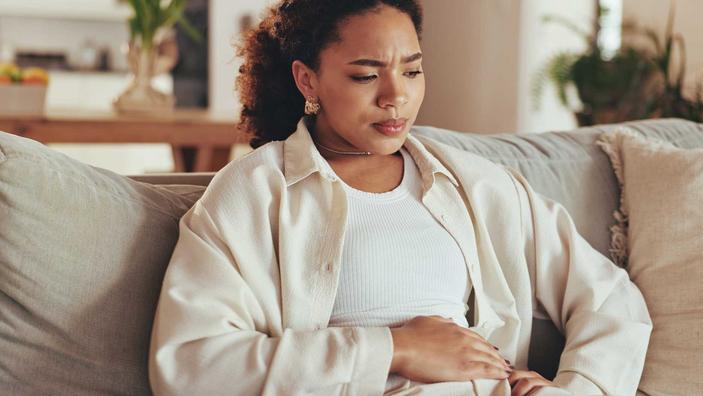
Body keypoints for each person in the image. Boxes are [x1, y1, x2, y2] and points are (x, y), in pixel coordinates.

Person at [148, 1, 652, 395]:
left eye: (412, 71)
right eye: (366, 75)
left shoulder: (477, 185)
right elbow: (191, 365)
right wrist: (394, 349)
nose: (396, 96)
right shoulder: (252, 194)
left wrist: (575, 388)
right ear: (308, 79)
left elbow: (611, 299)